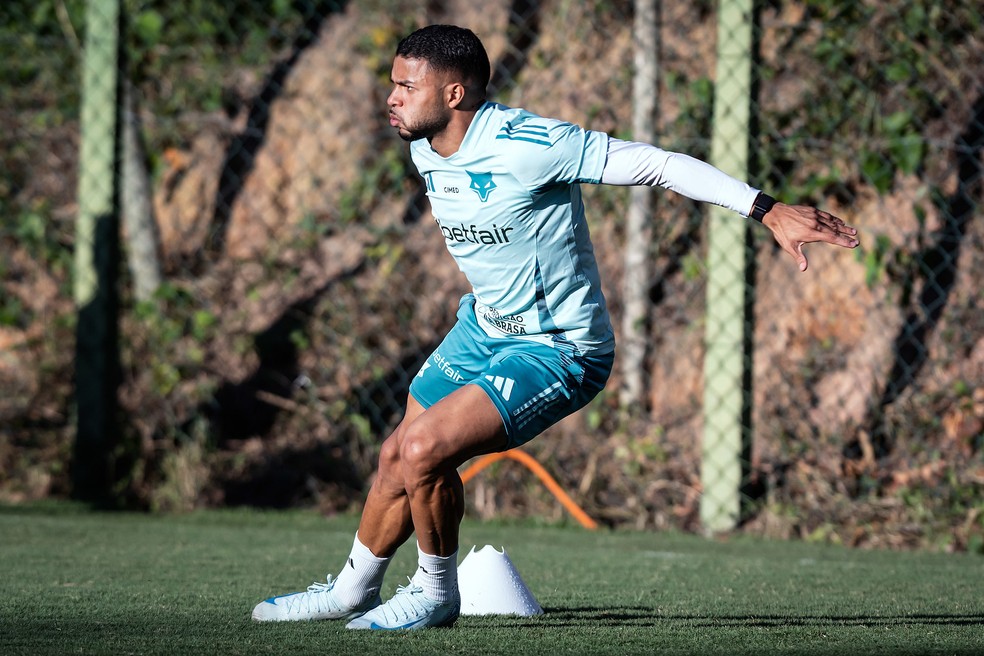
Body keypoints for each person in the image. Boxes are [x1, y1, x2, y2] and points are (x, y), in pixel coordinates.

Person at [251, 24, 859, 630]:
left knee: (422, 449)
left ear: (455, 94)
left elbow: (656, 164)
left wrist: (766, 208)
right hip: (483, 329)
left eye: (407, 87)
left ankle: (435, 592)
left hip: (558, 348)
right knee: (397, 458)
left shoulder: (528, 142)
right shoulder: (421, 145)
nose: (392, 98)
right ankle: (350, 592)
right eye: (393, 84)